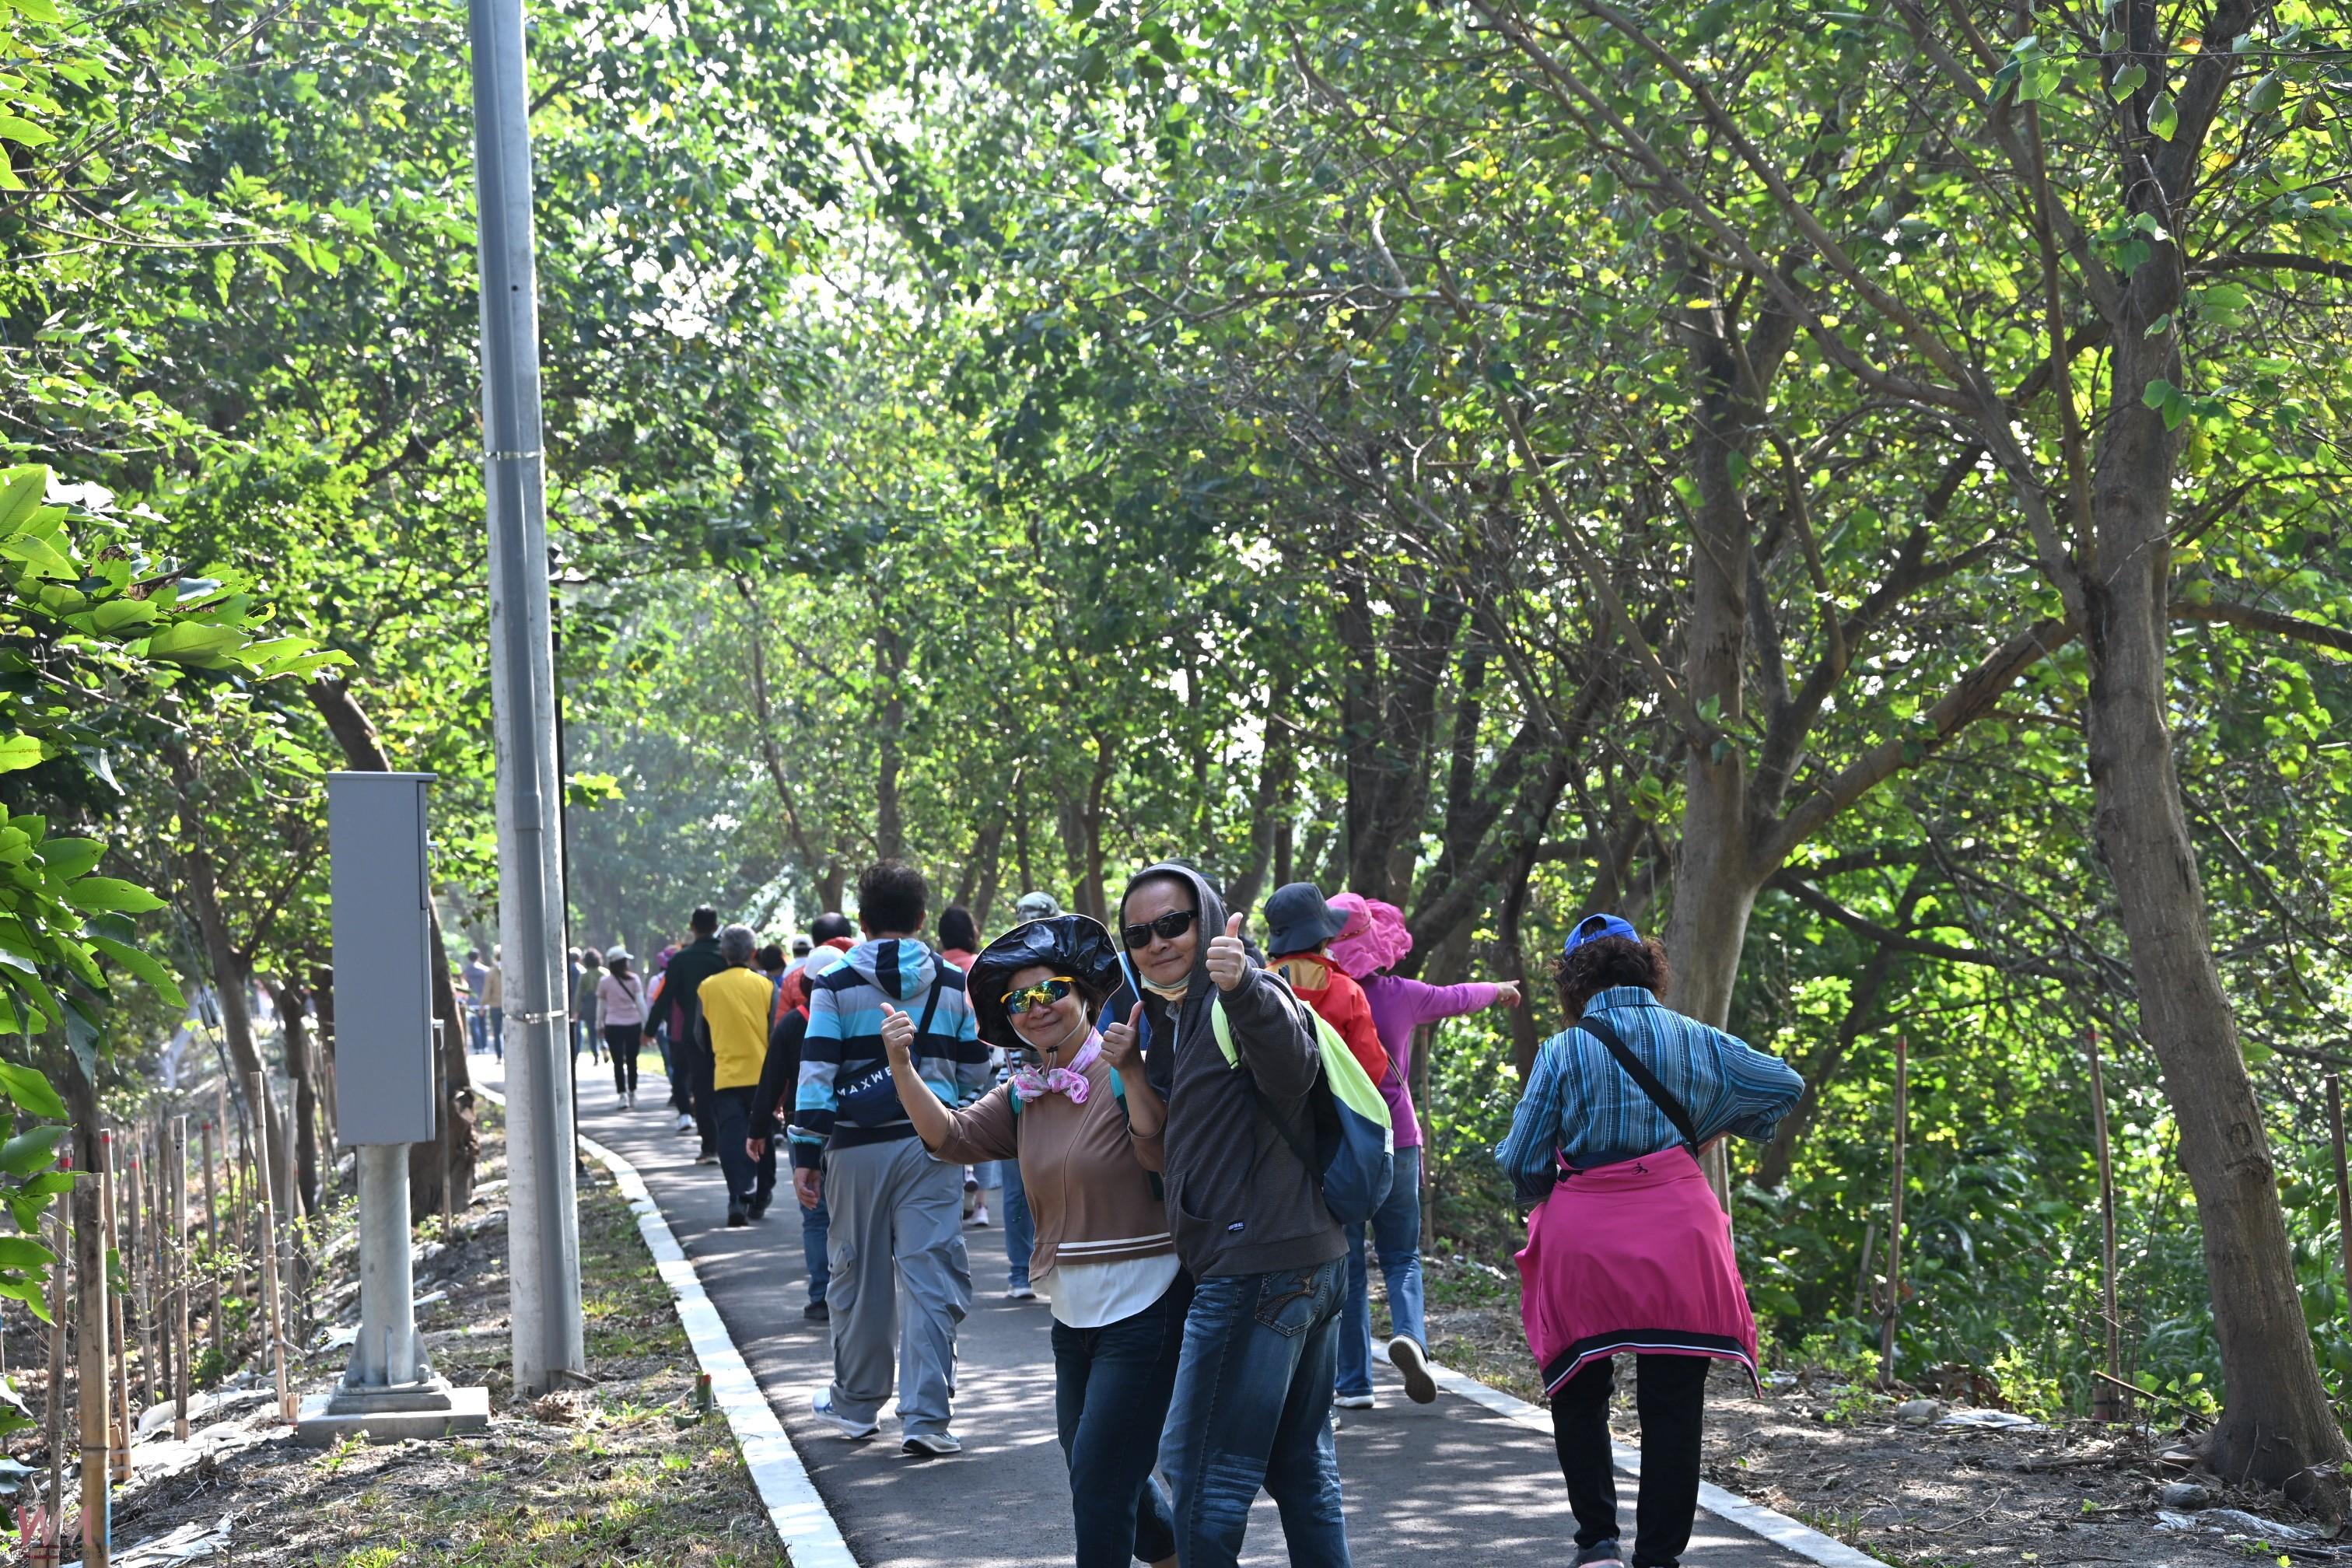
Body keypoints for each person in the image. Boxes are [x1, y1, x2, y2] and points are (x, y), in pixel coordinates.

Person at [1494, 914, 1804, 1568]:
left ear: (1576, 981)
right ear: (1647, 968)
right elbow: (1784, 1085)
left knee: (1579, 1389)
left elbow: (1522, 1159)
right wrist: (1707, 1128)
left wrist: (1552, 1187)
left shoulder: (1563, 1051)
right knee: (1674, 1402)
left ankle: (1598, 1545)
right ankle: (1659, 1557)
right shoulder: (1697, 1038)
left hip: (1586, 1240)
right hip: (1678, 1232)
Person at [881, 914, 1181, 1568]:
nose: (1034, 1008)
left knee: (1101, 1484)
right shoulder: (1024, 1094)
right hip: (1072, 1313)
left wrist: (1131, 1071)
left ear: (1087, 996)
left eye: (1051, 991)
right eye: (1018, 1000)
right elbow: (950, 1138)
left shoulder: (1130, 1066)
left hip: (1147, 1304)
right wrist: (902, 1066)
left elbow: (1159, 1151)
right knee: (1096, 1468)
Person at [1116, 863, 1350, 1568]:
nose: (1156, 942)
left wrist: (1242, 982)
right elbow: (1168, 1157)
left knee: (1201, 1476)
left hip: (1258, 1270)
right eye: (1138, 933)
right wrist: (1132, 1071)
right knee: (1301, 1470)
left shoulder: (1242, 990)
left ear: (1209, 920)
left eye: (1172, 924)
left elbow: (1292, 1068)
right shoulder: (1179, 1014)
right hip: (1301, 1261)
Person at [791, 861, 986, 1458]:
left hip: (856, 1149)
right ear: (922, 918)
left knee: (859, 1274)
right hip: (935, 1146)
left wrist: (806, 1151)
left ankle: (856, 1405)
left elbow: (818, 1068)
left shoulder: (835, 982)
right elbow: (976, 1070)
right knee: (932, 1279)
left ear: (864, 919)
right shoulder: (954, 984)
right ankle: (928, 1418)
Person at [1323, 891, 1520, 1410]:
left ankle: (1355, 1383)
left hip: (1341, 1141)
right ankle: (1410, 1334)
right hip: (1398, 1138)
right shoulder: (1401, 994)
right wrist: (1499, 990)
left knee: (1345, 1262)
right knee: (1401, 1255)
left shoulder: (1319, 995)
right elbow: (1456, 995)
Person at [751, 915, 855, 1321]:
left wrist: (757, 1129)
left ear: (805, 985)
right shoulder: (856, 1018)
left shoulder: (794, 1023)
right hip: (851, 1127)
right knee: (851, 1214)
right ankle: (854, 1292)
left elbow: (771, 1078)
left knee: (815, 1214)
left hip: (805, 1128)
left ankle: (820, 1296)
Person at [701, 924, 780, 1227]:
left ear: (723, 953)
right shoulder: (767, 987)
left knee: (732, 1136)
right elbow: (775, 1031)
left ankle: (738, 1195)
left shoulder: (707, 987)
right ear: (753, 953)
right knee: (762, 1135)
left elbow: (700, 1035)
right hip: (762, 1076)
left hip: (726, 1075)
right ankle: (761, 1195)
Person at [663, 908, 727, 1163]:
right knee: (725, 1085)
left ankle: (710, 1146)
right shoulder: (725, 955)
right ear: (716, 925)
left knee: (702, 1087)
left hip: (694, 1031)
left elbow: (666, 997)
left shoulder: (681, 959)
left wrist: (649, 1029)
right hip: (726, 1029)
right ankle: (729, 1139)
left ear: (692, 926)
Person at [599, 947, 648, 1107]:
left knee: (618, 1061)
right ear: (623, 963)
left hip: (613, 1025)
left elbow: (601, 1006)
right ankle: (633, 1092)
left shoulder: (604, 982)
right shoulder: (634, 980)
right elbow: (640, 1003)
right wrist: (646, 1024)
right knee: (632, 1060)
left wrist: (598, 1023)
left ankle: (622, 1095)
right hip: (633, 1024)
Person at [572, 947, 605, 1066]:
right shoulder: (604, 973)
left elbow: (579, 995)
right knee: (604, 1029)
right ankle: (604, 1045)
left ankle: (596, 1055)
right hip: (604, 1004)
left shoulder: (584, 976)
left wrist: (576, 1011)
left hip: (589, 1006)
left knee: (592, 1032)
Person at [461, 949, 489, 1055]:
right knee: (483, 1024)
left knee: (474, 1025)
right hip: (483, 1001)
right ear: (478, 957)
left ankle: (477, 1047)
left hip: (471, 1001)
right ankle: (485, 1046)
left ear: (469, 958)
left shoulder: (466, 971)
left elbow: (464, 985)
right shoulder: (485, 970)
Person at [483, 946, 506, 1061]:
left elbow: (487, 991)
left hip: (495, 1006)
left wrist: (483, 1004)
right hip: (509, 1006)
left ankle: (499, 1056)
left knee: (497, 1032)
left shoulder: (491, 973)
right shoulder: (512, 970)